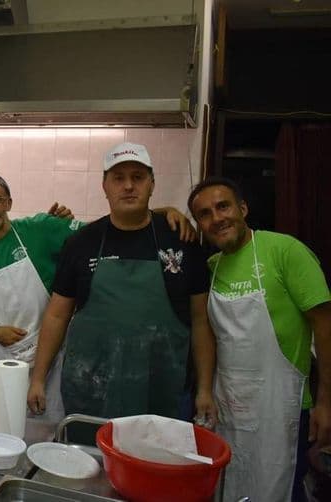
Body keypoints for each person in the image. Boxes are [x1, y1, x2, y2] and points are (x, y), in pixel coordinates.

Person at [28, 142, 217, 443]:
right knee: (89, 474)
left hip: (160, 393)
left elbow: (200, 321)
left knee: (153, 477)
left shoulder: (181, 239)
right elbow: (57, 314)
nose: (128, 186)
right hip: (92, 393)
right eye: (118, 178)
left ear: (152, 184)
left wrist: (205, 389)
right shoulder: (81, 242)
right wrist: (38, 378)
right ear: (104, 185)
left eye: (138, 177)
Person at [188, 177, 331, 502]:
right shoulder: (211, 267)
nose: (217, 218)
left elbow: (325, 326)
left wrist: (326, 402)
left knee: (277, 489)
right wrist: (205, 390)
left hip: (281, 411)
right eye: (205, 214)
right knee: (230, 485)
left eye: (223, 206)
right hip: (228, 408)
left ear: (243, 208)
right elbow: (208, 333)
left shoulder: (284, 250)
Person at [0, 174, 85, 422]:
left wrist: (157, 215)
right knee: (9, 428)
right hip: (7, 360)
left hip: (54, 357)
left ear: (9, 202)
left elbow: (103, 232)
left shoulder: (41, 228)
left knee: (51, 432)